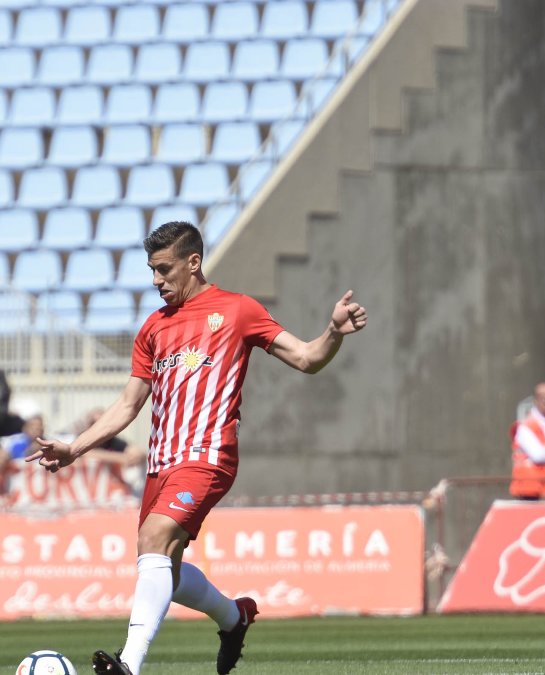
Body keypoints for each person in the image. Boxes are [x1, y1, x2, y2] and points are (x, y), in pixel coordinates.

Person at [27, 222, 367, 675]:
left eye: (164, 269)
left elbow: (306, 358)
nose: (156, 280)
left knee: (153, 540)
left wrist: (334, 332)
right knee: (163, 567)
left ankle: (128, 665)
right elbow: (129, 404)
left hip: (207, 456)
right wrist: (75, 448)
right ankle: (234, 616)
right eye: (151, 270)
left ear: (193, 262)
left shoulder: (237, 310)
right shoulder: (153, 327)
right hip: (160, 463)